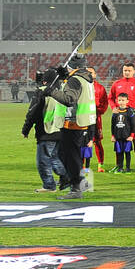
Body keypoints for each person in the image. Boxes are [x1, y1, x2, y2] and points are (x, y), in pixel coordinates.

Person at [44, 57, 97, 199]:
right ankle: (80, 182)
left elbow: (69, 99)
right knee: (68, 154)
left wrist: (51, 91)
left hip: (73, 122)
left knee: (69, 156)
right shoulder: (85, 78)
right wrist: (65, 76)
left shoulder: (75, 80)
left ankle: (76, 187)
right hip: (81, 121)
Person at [21, 67, 69, 192]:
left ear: (44, 81)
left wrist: (26, 129)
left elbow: (33, 113)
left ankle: (49, 185)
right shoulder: (61, 92)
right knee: (54, 159)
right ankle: (68, 177)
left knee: (43, 161)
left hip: (46, 131)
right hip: (60, 130)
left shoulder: (41, 92)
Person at [109, 63, 135, 169]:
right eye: (125, 70)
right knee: (119, 139)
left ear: (134, 71)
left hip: (134, 116)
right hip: (119, 117)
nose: (127, 72)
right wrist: (113, 107)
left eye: (129, 70)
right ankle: (119, 165)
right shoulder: (117, 84)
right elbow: (110, 98)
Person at [86, 66, 108, 172]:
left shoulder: (100, 88)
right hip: (83, 118)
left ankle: (100, 164)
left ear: (95, 75)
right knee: (83, 142)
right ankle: (84, 165)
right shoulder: (81, 86)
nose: (89, 74)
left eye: (91, 73)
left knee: (97, 141)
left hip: (96, 119)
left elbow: (104, 103)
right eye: (87, 72)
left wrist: (97, 111)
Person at [110, 93, 135, 172]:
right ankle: (120, 167)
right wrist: (113, 135)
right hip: (118, 136)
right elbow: (112, 125)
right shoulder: (115, 112)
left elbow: (133, 125)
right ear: (117, 101)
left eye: (123, 100)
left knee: (127, 152)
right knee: (119, 153)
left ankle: (128, 168)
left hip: (127, 136)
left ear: (127, 101)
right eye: (119, 100)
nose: (121, 102)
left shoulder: (130, 112)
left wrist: (132, 135)